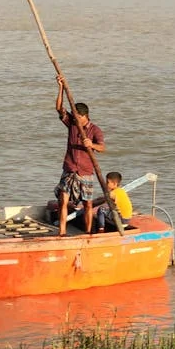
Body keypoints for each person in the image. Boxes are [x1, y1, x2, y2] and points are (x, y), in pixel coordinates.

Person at [53, 75, 105, 235]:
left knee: (88, 204)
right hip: (70, 169)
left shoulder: (94, 129)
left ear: (85, 116)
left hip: (85, 172)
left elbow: (102, 147)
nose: (76, 119)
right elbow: (59, 109)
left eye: (79, 117)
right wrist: (60, 88)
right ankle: (62, 232)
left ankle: (88, 232)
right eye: (74, 116)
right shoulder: (72, 124)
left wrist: (91, 144)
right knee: (63, 201)